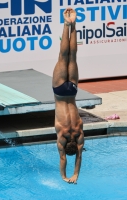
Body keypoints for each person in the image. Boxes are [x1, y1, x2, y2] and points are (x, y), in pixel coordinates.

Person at [52, 8, 84, 184]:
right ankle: (66, 24)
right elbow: (63, 158)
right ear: (65, 146)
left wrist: (76, 174)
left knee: (72, 56)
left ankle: (73, 23)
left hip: (72, 90)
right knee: (63, 56)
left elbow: (79, 155)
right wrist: (65, 176)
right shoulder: (62, 134)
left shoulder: (79, 131)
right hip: (59, 91)